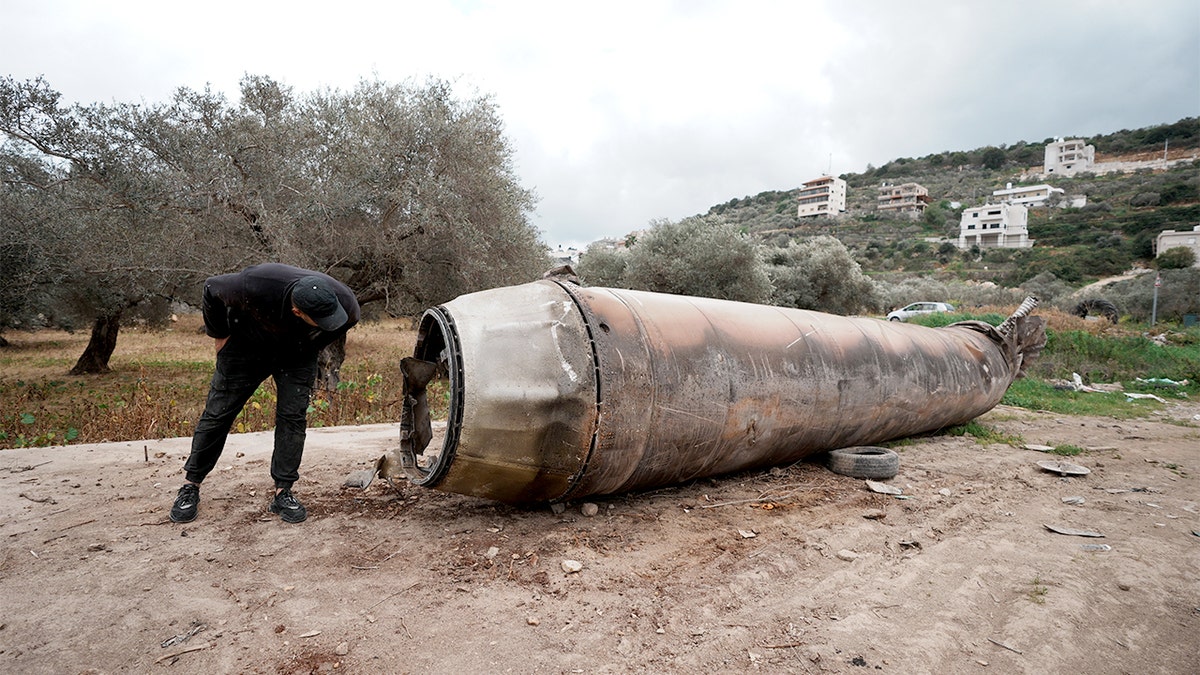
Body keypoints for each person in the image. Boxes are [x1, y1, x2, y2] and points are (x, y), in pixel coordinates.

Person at [169, 263, 360, 524]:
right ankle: (191, 484)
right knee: (218, 414)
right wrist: (220, 335)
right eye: (321, 319)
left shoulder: (345, 304)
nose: (330, 321)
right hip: (246, 346)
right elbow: (211, 287)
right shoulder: (255, 283)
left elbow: (341, 325)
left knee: (293, 417)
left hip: (297, 353)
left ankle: (283, 491)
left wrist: (310, 347)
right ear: (297, 311)